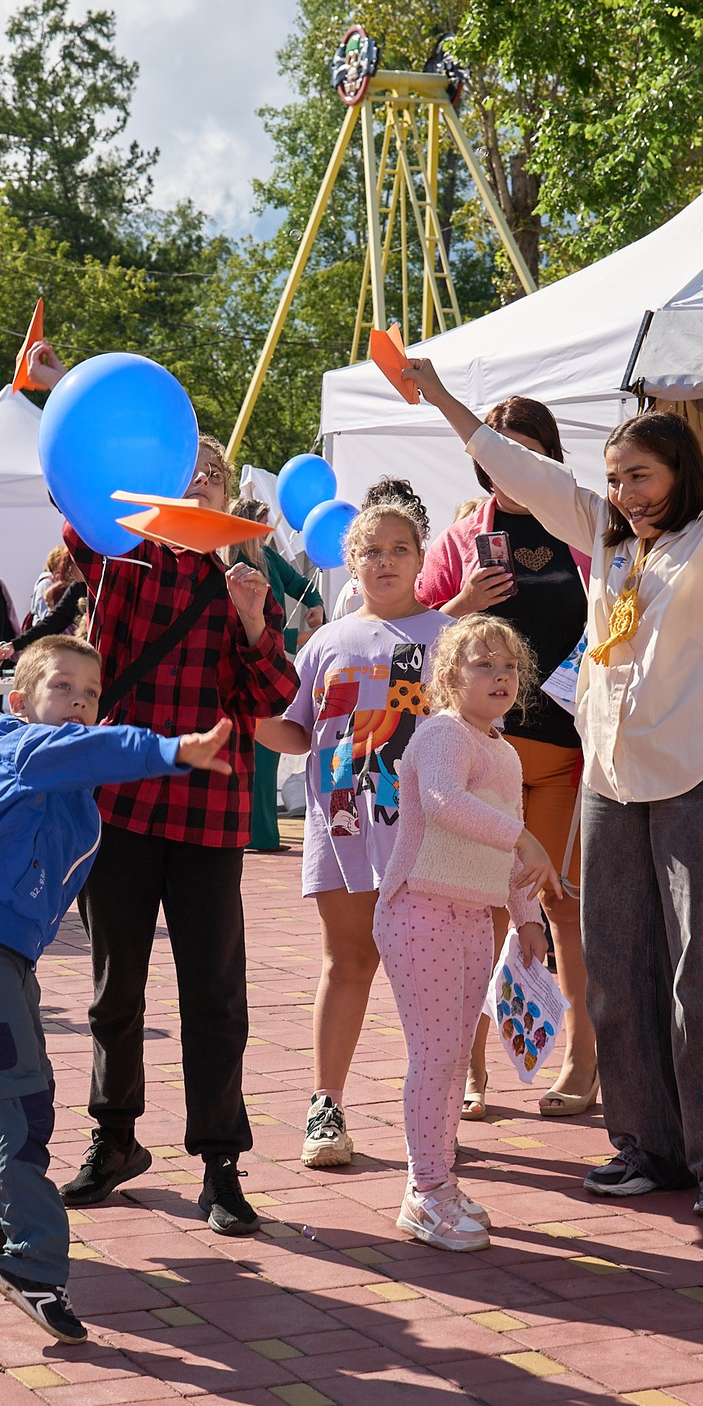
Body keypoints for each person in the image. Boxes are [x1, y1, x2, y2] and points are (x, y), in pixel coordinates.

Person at [402, 339, 703, 1221]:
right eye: (615, 476)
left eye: (642, 474)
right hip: (613, 774)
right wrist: (440, 401)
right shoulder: (606, 536)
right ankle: (646, 1143)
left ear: (679, 473)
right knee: (618, 963)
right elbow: (524, 474)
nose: (625, 491)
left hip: (702, 764)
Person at [0, 638, 234, 1342]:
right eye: (62, 688)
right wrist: (168, 750)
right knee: (22, 1108)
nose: (77, 703)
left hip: (7, 960)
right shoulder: (20, 748)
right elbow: (87, 751)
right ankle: (33, 1264)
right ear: (19, 701)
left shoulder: (63, 775)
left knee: (22, 1093)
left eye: (90, 694)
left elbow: (87, 761)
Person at [54, 436, 298, 1237]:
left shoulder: (243, 581)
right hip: (121, 801)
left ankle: (221, 1164)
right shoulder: (124, 557)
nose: (202, 478)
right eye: (186, 468)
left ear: (230, 496)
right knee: (114, 986)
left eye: (216, 471)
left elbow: (269, 696)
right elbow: (75, 513)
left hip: (208, 813)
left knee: (215, 993)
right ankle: (114, 1137)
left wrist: (257, 620)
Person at [255, 504, 451, 1172]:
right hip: (341, 826)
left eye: (400, 547)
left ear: (422, 556)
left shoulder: (448, 635)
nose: (386, 560)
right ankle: (326, 1105)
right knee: (348, 961)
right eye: (371, 550)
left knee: (429, 974)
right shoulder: (327, 643)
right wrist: (243, 717)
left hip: (426, 835)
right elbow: (297, 730)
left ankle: (436, 1107)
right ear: (352, 560)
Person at [415, 398, 596, 1121]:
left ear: (548, 455)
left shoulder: (583, 529)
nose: (509, 463)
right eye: (496, 449)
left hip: (564, 754)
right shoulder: (461, 538)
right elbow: (414, 642)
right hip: (480, 762)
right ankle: (470, 1064)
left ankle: (584, 1057)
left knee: (560, 904)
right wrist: (460, 604)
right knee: (479, 908)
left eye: (524, 449)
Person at [374, 617, 556, 1249]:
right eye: (483, 665)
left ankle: (436, 1181)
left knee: (454, 1059)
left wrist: (528, 919)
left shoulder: (503, 750)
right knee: (435, 1055)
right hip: (419, 909)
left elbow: (508, 854)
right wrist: (523, 838)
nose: (500, 676)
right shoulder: (442, 735)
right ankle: (425, 1190)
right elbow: (448, 802)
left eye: (509, 667)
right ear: (449, 678)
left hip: (472, 918)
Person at [233, 497, 324, 855]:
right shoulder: (234, 563)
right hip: (249, 661)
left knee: (266, 754)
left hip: (274, 665)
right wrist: (301, 638)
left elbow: (303, 584)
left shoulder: (268, 557)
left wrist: (315, 605)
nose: (268, 528)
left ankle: (264, 833)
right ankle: (254, 834)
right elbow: (244, 622)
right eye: (261, 521)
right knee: (254, 752)